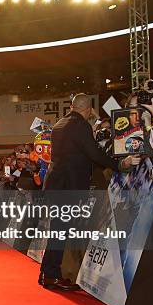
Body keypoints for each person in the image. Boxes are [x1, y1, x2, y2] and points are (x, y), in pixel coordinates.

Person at [39, 94, 140, 290]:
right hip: (68, 186)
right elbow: (94, 153)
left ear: (72, 106)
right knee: (60, 230)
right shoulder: (81, 126)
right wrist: (119, 164)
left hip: (55, 184)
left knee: (58, 228)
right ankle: (51, 274)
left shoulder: (61, 123)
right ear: (88, 109)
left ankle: (47, 272)